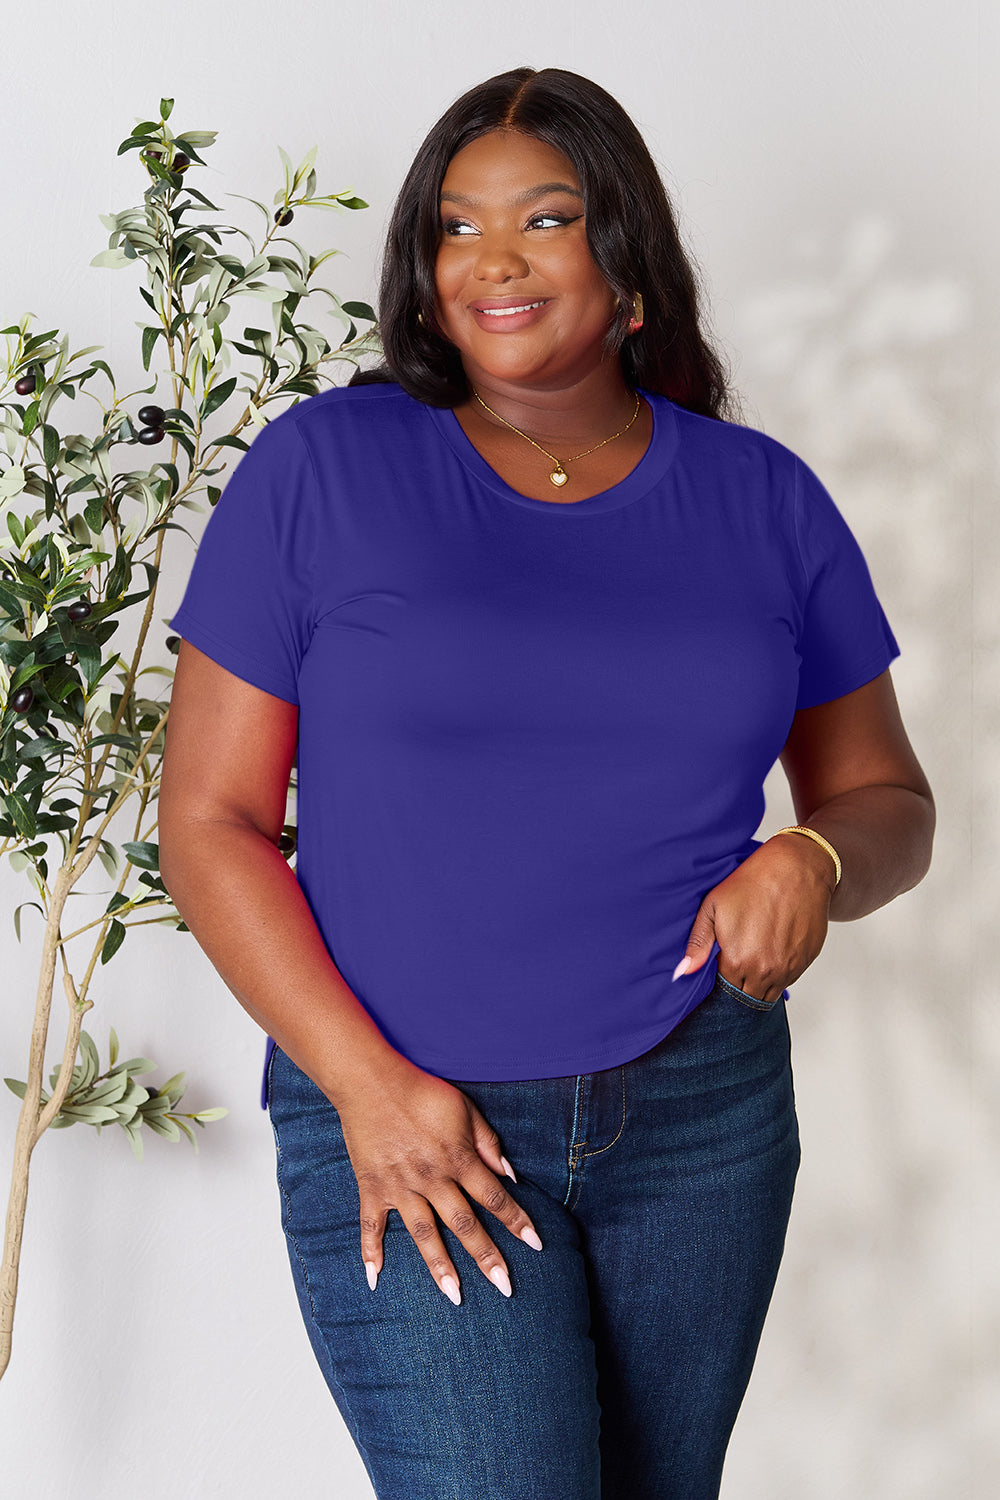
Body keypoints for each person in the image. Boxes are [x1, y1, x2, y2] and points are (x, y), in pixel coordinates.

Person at [159, 66, 935, 1500]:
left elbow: (887, 798)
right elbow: (207, 824)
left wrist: (810, 863)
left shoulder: (763, 502)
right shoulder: (325, 469)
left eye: (547, 217)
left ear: (628, 260)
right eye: (457, 228)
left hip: (699, 1114)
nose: (494, 260)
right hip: (405, 1107)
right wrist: (368, 1090)